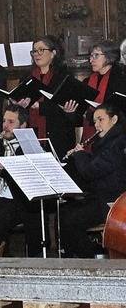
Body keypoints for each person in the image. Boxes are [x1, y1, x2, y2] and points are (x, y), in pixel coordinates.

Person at [60, 104, 126, 258]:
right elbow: (93, 168)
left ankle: (89, 260)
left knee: (71, 222)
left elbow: (90, 171)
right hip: (99, 197)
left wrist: (80, 154)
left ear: (114, 119)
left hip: (113, 203)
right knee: (62, 213)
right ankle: (70, 261)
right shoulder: (106, 143)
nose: (96, 125)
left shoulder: (118, 144)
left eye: (100, 119)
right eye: (95, 121)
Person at [0, 105, 45, 256]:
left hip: (18, 201)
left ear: (23, 126)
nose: (5, 126)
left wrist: (3, 168)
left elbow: (28, 182)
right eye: (4, 121)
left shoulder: (28, 148)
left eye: (11, 122)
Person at [12, 35, 75, 159]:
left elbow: (65, 107)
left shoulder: (63, 76)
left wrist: (39, 106)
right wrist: (17, 102)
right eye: (34, 51)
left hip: (58, 134)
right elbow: (21, 104)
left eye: (41, 50)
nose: (36, 54)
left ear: (53, 53)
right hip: (31, 134)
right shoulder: (28, 76)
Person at [74, 40, 126, 142]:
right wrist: (71, 111)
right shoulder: (87, 81)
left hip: (115, 136)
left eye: (96, 56)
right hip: (91, 132)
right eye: (91, 56)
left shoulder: (121, 79)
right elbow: (78, 115)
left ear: (109, 56)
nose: (91, 60)